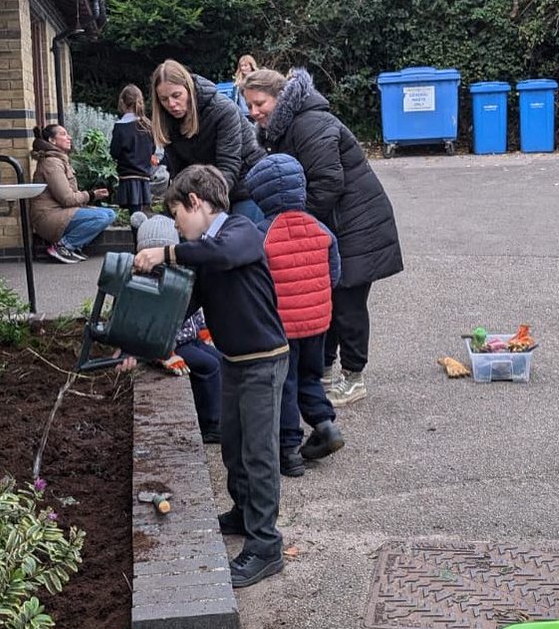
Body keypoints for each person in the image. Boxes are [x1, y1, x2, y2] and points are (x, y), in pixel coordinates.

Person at [133, 165, 288, 589]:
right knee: (235, 448)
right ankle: (244, 513)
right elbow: (183, 305)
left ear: (196, 203)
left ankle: (265, 544)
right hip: (235, 360)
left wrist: (166, 254)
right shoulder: (202, 250)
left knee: (259, 454)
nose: (178, 228)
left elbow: (220, 255)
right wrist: (140, 340)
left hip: (264, 359)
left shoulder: (241, 230)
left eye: (177, 216)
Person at [242, 67, 403, 407]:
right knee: (328, 299)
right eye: (250, 107)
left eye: (260, 104)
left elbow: (329, 182)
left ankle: (354, 377)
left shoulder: (309, 123)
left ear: (280, 97)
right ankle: (325, 372)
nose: (254, 113)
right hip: (338, 223)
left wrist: (296, 226)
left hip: (357, 225)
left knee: (348, 305)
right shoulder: (288, 126)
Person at [244, 153, 345, 478]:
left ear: (261, 195)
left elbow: (256, 283)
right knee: (310, 376)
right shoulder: (321, 229)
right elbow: (334, 275)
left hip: (282, 326)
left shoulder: (262, 233)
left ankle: (289, 450)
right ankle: (325, 426)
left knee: (285, 383)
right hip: (318, 322)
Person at [135, 213, 222, 444]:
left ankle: (221, 412)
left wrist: (204, 330)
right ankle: (210, 423)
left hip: (191, 339)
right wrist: (165, 352)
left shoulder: (180, 276)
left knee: (220, 359)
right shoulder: (145, 285)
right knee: (209, 366)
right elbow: (148, 327)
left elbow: (195, 310)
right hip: (173, 345)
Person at [150, 59, 266, 224]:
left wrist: (201, 206)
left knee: (241, 239)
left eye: (176, 96)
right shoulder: (167, 122)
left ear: (188, 89)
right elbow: (180, 175)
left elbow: (229, 167)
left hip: (246, 182)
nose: (171, 104)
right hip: (210, 188)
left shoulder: (223, 110)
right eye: (164, 99)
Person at [28, 124, 115, 263]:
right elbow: (67, 199)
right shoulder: (51, 163)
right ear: (52, 140)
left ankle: (73, 246)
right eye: (63, 134)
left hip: (60, 212)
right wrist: (91, 195)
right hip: (48, 217)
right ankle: (63, 246)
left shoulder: (59, 160)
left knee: (110, 214)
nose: (69, 137)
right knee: (101, 217)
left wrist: (91, 197)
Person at [110, 84, 156, 216]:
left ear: (122, 102)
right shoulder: (148, 125)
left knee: (135, 217)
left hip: (128, 177)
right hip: (145, 176)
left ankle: (137, 237)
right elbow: (152, 149)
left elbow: (114, 152)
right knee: (143, 216)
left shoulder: (120, 127)